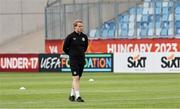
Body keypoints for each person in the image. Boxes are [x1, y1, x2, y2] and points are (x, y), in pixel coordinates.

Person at [63, 19, 88, 102]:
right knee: (76, 77)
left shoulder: (84, 37)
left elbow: (85, 48)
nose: (81, 27)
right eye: (79, 26)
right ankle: (78, 97)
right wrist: (71, 54)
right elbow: (64, 48)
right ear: (75, 27)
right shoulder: (70, 36)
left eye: (82, 26)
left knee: (77, 78)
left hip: (81, 60)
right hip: (73, 60)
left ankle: (71, 95)